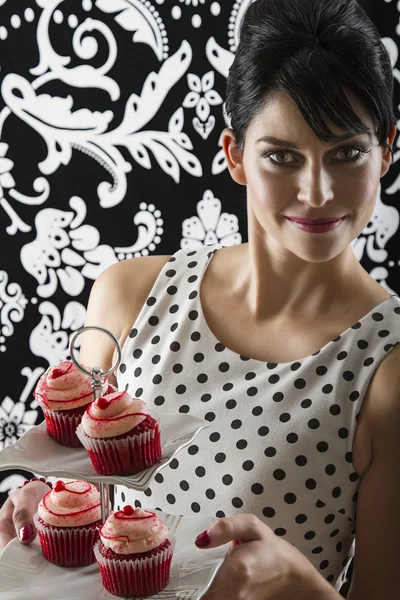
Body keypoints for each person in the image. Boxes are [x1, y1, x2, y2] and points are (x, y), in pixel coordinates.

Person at [0, 0, 399, 597]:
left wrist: (300, 582)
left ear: (387, 149)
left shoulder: (388, 369)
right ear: (235, 155)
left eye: (347, 153)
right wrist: (42, 503)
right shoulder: (128, 296)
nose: (317, 192)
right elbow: (73, 473)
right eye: (282, 156)